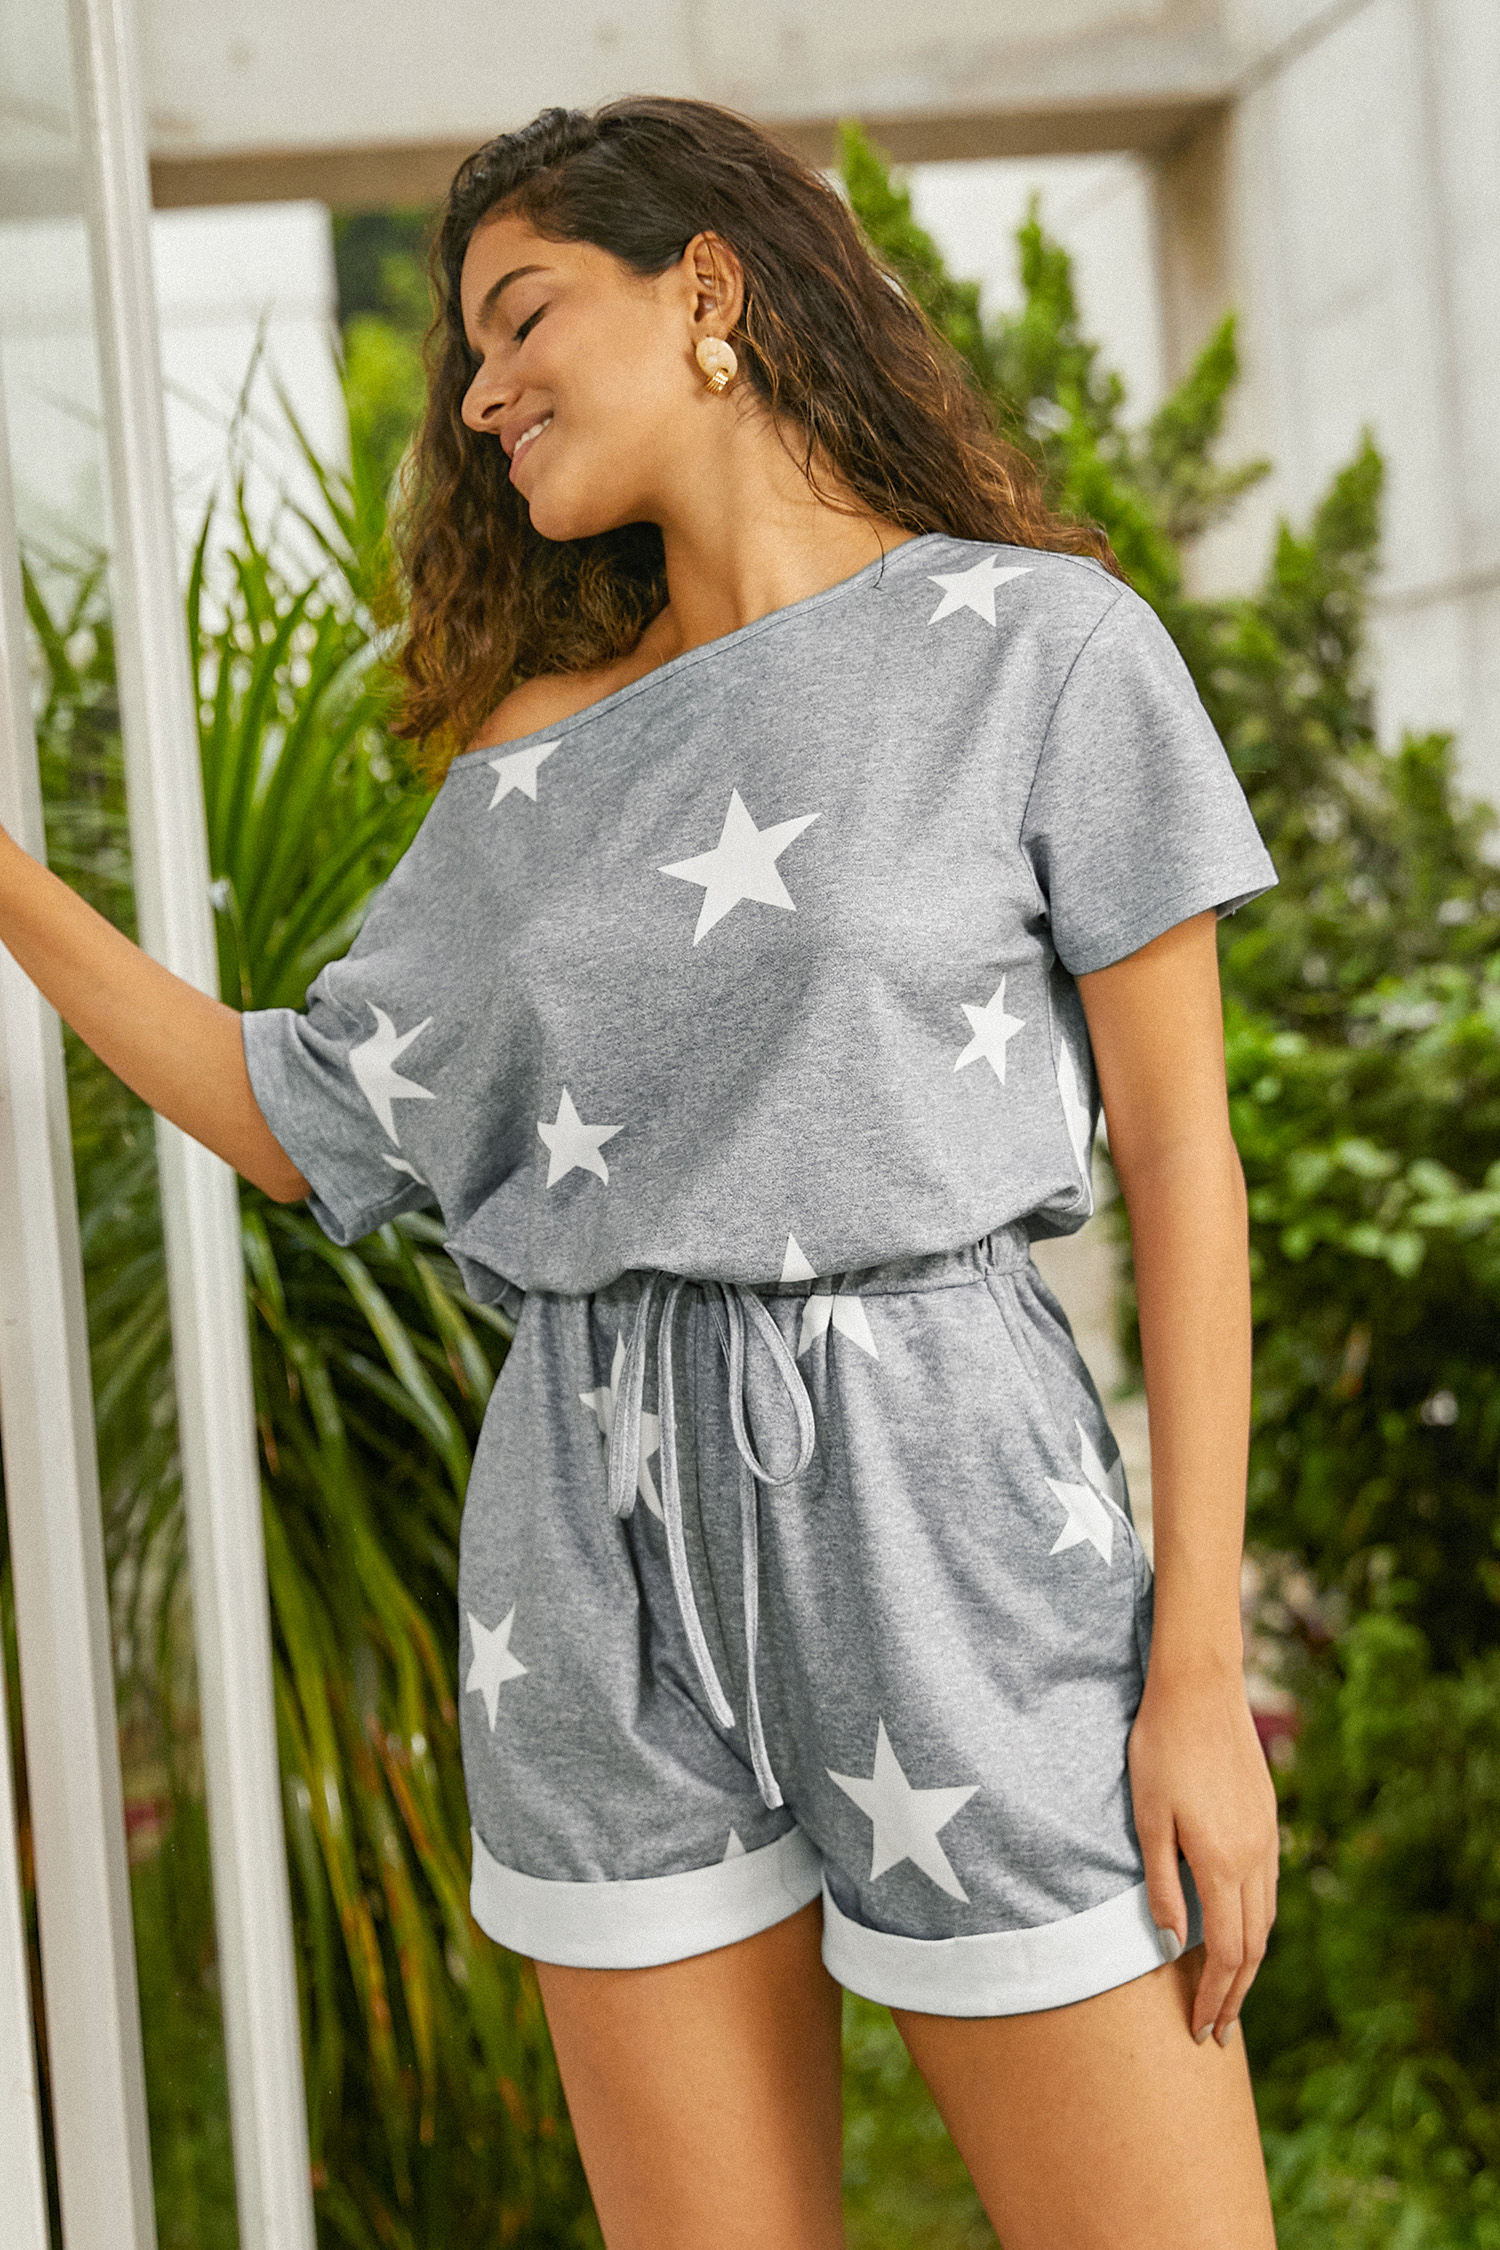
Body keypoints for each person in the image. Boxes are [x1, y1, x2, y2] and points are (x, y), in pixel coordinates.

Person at [0, 95, 1282, 2250]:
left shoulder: (1042, 651)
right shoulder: (530, 756)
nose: (477, 393)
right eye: (465, 352)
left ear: (709, 285)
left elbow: (1185, 1159)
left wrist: (1194, 1680)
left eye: (520, 318)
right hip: (587, 1550)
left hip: (952, 1521)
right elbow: (297, 1116)